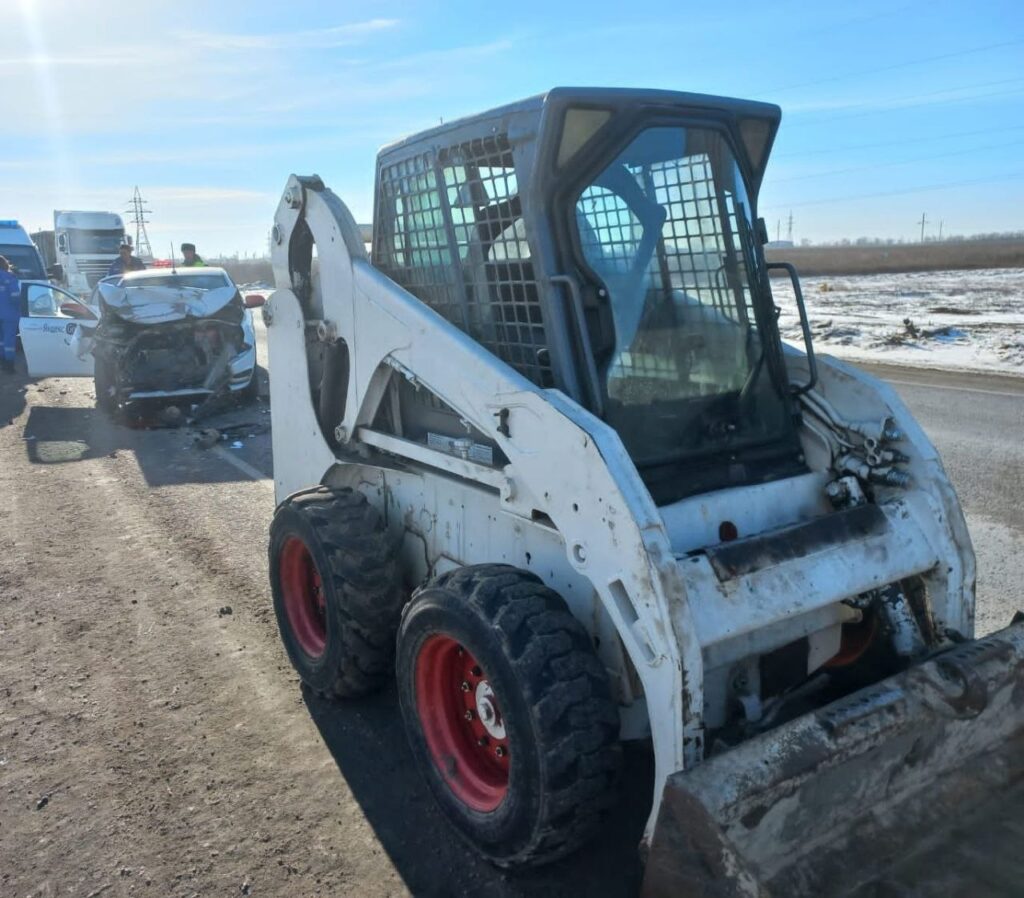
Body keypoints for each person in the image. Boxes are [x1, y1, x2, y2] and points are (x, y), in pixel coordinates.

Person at [0, 256, 20, 373]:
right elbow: (15, 297)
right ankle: (9, 365)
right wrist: (19, 308)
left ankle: (2, 362)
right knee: (9, 341)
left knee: (1, 340)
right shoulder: (10, 277)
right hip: (9, 315)